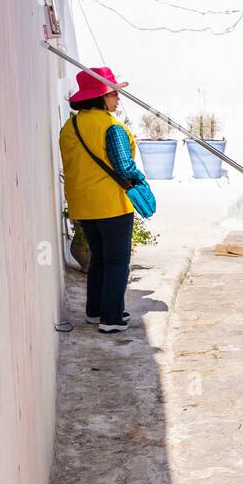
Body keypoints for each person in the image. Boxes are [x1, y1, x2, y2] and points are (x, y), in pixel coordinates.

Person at [59, 67, 154, 333]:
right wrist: (140, 179)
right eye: (114, 93)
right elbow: (124, 166)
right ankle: (111, 317)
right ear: (101, 97)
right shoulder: (112, 127)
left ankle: (95, 310)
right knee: (117, 260)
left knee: (99, 256)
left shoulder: (71, 125)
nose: (118, 99)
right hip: (111, 204)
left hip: (82, 205)